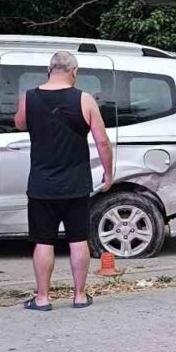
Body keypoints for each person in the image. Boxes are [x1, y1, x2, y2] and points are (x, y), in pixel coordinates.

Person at [13, 51, 114, 310]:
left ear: (50, 70)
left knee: (43, 241)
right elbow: (102, 141)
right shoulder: (84, 99)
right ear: (74, 72)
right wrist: (108, 173)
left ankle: (42, 298)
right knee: (78, 239)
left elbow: (20, 124)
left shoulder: (29, 97)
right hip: (76, 184)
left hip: (42, 185)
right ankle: (79, 295)